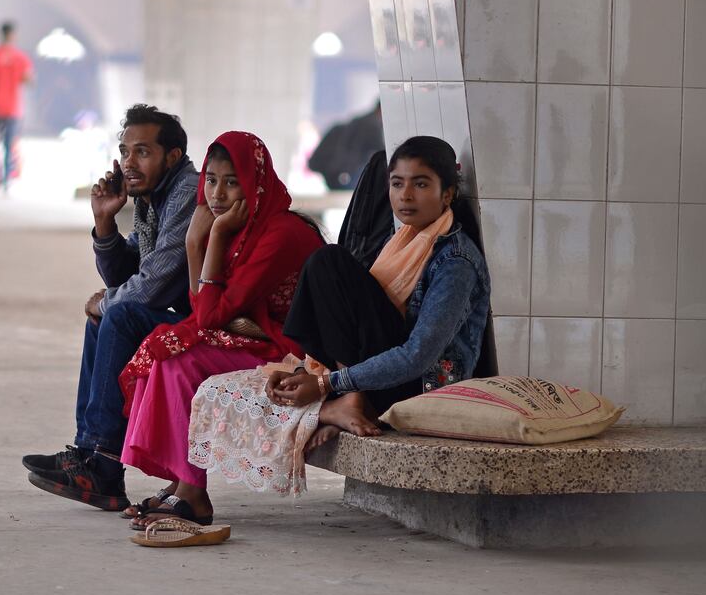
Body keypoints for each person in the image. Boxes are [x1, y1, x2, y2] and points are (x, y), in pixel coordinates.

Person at [184, 136, 490, 503]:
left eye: (421, 184)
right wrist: (308, 372)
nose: (405, 195)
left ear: (447, 195)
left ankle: (351, 397)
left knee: (331, 263)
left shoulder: (454, 262)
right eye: (397, 184)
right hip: (382, 375)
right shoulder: (405, 239)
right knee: (327, 263)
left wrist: (328, 383)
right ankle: (348, 396)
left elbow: (418, 357)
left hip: (421, 389)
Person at [116, 132, 324, 528]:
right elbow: (203, 309)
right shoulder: (235, 227)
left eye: (233, 181)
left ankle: (192, 494)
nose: (218, 193)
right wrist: (199, 241)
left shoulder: (279, 233)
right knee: (163, 344)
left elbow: (210, 316)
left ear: (255, 183)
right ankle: (183, 482)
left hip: (289, 349)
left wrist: (204, 240)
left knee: (178, 360)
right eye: (211, 180)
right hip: (252, 336)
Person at [22, 104, 199, 510]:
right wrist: (104, 223)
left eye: (142, 151)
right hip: (189, 316)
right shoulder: (153, 196)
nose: (128, 163)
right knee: (105, 319)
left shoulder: (187, 192)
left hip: (220, 322)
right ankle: (89, 455)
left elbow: (152, 286)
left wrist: (109, 301)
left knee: (115, 314)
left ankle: (102, 462)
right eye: (124, 151)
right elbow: (127, 275)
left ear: (171, 156)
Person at [0, 21, 33, 195]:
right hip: (12, 109)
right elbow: (28, 79)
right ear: (13, 35)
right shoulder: (21, 57)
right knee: (8, 146)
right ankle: (6, 183)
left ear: (0, 34)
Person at [308, 101, 384, 190]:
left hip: (336, 172)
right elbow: (384, 152)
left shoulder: (358, 121)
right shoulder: (372, 124)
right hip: (349, 173)